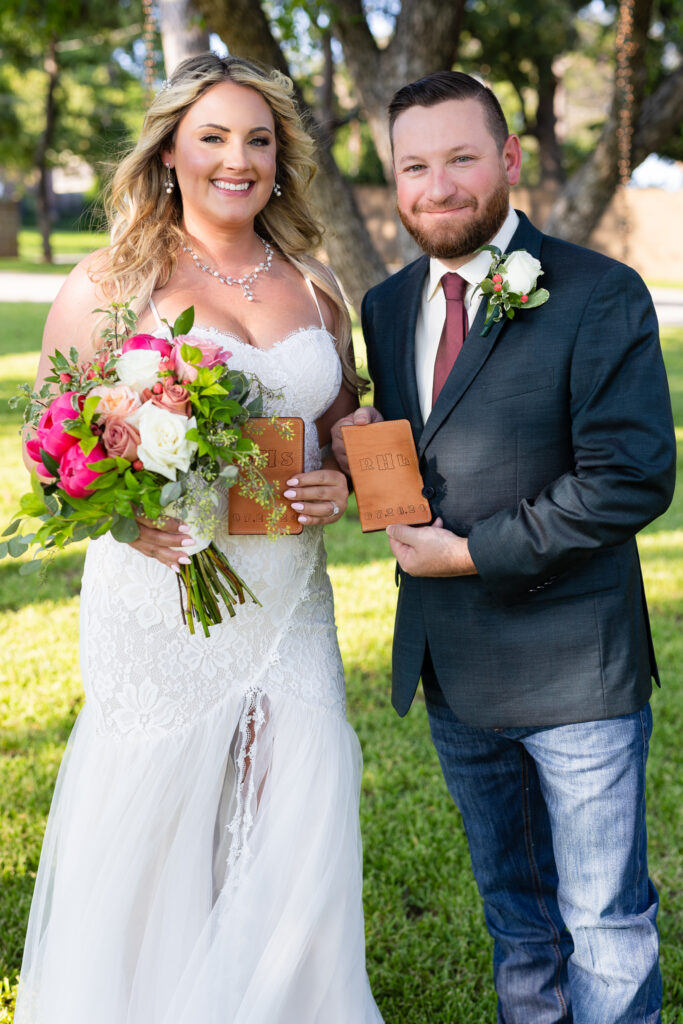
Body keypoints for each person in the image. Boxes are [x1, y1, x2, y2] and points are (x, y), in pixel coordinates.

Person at [15, 53, 383, 1024]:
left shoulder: (314, 284)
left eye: (258, 140)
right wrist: (130, 517)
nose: (238, 159)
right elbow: (49, 449)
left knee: (294, 795)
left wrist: (337, 480)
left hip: (286, 595)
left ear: (280, 159)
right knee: (160, 817)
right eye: (213, 137)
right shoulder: (110, 281)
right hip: (163, 591)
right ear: (169, 150)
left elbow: (342, 416)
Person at [332, 71, 675, 1023]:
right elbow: (421, 456)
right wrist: (354, 454)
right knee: (517, 921)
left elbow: (631, 477)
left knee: (603, 922)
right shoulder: (387, 303)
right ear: (393, 179)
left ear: (509, 160)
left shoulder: (598, 292)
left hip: (576, 672)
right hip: (456, 669)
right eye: (413, 166)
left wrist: (473, 553)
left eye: (459, 159)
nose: (436, 187)